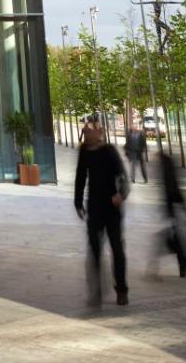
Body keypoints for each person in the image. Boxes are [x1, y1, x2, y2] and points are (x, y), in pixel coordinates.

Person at [74, 119, 130, 308]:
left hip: (112, 207)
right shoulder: (84, 151)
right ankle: (96, 292)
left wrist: (121, 195)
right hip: (94, 207)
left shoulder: (109, 151)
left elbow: (123, 176)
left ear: (99, 132)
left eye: (90, 129)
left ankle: (121, 290)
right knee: (95, 250)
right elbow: (80, 176)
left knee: (117, 249)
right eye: (85, 129)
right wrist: (78, 202)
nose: (86, 131)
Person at [149, 150, 186, 279]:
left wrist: (171, 212)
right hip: (176, 211)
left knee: (177, 241)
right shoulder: (170, 175)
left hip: (175, 212)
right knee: (179, 240)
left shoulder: (168, 178)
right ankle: (185, 267)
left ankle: (185, 267)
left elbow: (172, 194)